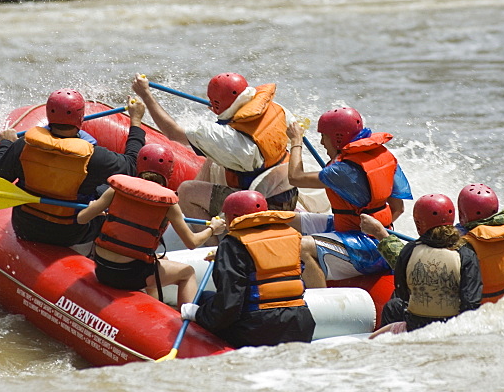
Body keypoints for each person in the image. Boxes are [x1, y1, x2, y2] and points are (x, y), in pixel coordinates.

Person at [0, 89, 147, 248]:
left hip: (26, 228)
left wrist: (6, 144)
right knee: (111, 192)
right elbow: (133, 166)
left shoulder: (23, 146)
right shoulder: (94, 157)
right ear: (80, 117)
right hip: (71, 234)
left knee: (98, 187)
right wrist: (136, 120)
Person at [76, 143, 226, 304]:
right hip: (131, 275)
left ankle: (152, 303)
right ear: (168, 173)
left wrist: (95, 208)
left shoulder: (116, 190)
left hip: (102, 268)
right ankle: (186, 318)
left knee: (160, 261)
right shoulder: (168, 204)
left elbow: (81, 218)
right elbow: (192, 242)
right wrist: (212, 228)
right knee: (187, 273)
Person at [131, 73, 293, 219]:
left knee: (186, 190)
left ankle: (210, 243)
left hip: (258, 205)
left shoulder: (220, 137)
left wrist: (145, 94)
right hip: (287, 193)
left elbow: (173, 133)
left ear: (216, 103)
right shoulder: (275, 108)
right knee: (212, 157)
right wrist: (225, 113)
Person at [285, 107, 414, 282]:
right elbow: (398, 208)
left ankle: (318, 302)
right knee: (282, 220)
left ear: (338, 138)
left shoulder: (343, 171)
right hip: (366, 234)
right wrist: (372, 226)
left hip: (368, 248)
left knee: (301, 247)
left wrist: (296, 140)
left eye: (324, 136)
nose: (322, 142)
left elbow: (296, 177)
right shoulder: (383, 155)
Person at [179, 190, 316, 348]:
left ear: (232, 217)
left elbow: (229, 304)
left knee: (203, 298)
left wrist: (199, 315)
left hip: (257, 329)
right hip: (300, 324)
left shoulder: (232, 244)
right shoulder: (289, 235)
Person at [359, 194, 482, 332]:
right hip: (451, 327)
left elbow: (403, 293)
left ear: (418, 224)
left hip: (415, 325)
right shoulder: (466, 254)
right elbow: (471, 301)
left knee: (393, 306)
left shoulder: (409, 250)